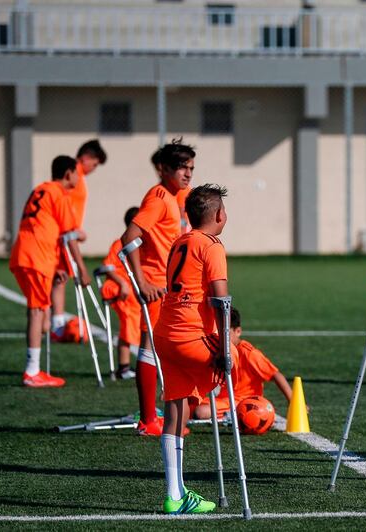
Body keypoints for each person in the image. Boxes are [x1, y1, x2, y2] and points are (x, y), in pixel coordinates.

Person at [153, 183, 232, 514]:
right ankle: (219, 405)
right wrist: (225, 348)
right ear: (218, 214)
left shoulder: (179, 241)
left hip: (164, 337)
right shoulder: (212, 245)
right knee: (236, 357)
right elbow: (220, 298)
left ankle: (175, 494)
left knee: (174, 410)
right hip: (190, 338)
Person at [121, 140, 194, 436]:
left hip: (173, 286)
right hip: (155, 286)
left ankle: (167, 415)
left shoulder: (179, 195)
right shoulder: (159, 196)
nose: (187, 174)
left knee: (169, 347)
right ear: (164, 170)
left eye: (191, 168)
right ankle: (148, 419)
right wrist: (142, 281)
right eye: (181, 168)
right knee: (149, 347)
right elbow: (129, 237)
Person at [9, 155, 90, 387]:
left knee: (42, 314)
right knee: (36, 312)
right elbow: (70, 236)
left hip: (27, 254)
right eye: (76, 173)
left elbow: (45, 227)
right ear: (68, 174)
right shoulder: (60, 194)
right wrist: (81, 268)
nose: (78, 177)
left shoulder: (41, 189)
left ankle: (35, 369)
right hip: (36, 257)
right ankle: (32, 372)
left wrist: (55, 266)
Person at [192, 306, 294, 420]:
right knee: (186, 404)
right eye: (217, 332)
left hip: (243, 402)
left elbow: (275, 374)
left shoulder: (249, 353)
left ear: (238, 331)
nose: (220, 337)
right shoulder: (218, 349)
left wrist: (293, 402)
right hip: (223, 399)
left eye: (224, 333)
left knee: (201, 412)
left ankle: (238, 414)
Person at [50, 140, 107, 339]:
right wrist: (73, 230)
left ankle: (54, 323)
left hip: (68, 233)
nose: (93, 169)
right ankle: (56, 325)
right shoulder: (74, 175)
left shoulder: (79, 177)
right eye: (95, 164)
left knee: (60, 278)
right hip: (64, 234)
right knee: (59, 279)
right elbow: (63, 203)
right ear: (86, 158)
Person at [100, 207, 142, 380]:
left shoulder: (142, 244)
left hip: (134, 292)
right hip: (120, 290)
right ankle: (123, 368)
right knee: (128, 324)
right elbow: (108, 267)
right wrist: (122, 283)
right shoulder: (119, 243)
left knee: (138, 324)